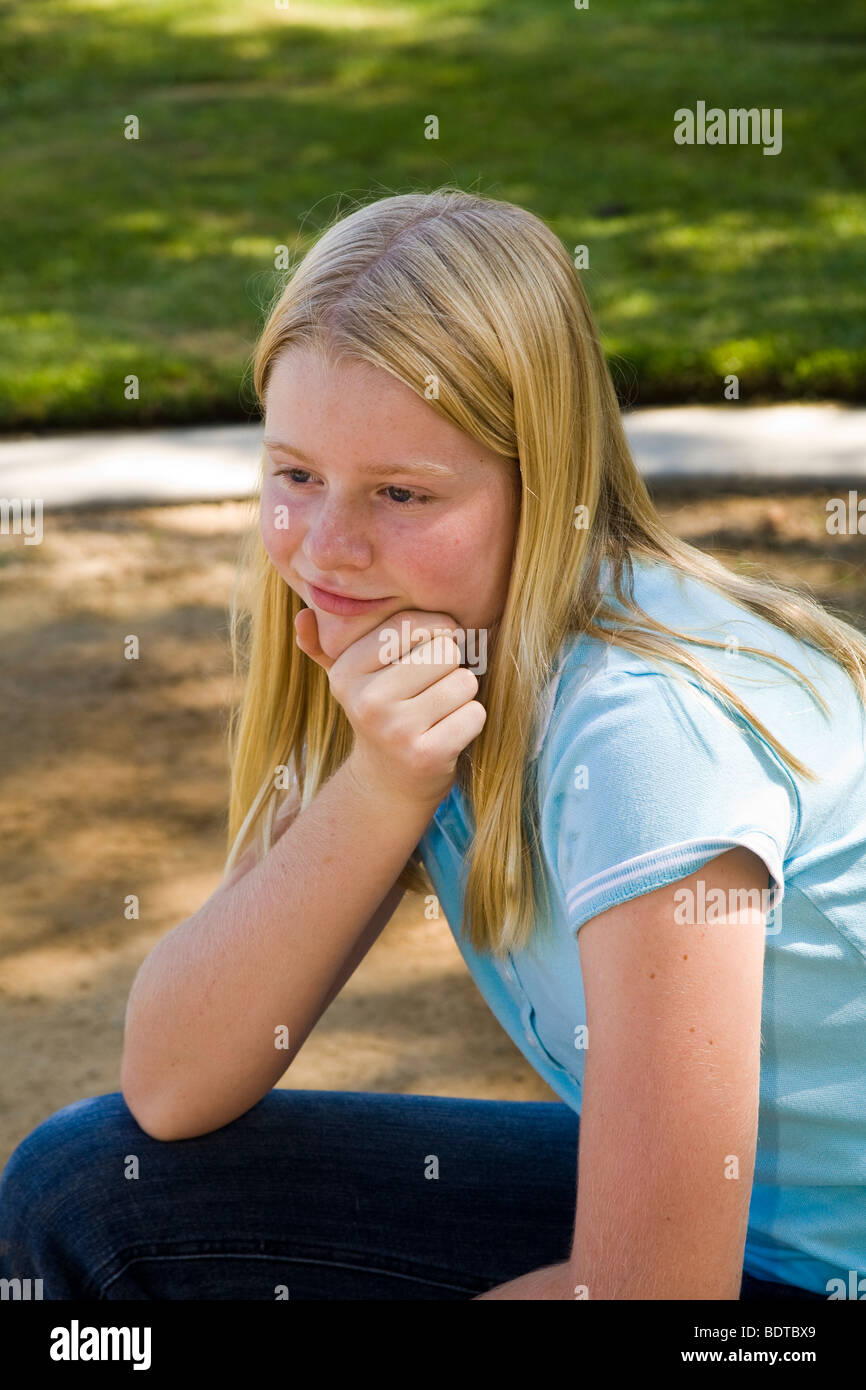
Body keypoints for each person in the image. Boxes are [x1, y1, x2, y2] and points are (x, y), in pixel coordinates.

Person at [0, 187, 862, 1300]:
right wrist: (383, 784)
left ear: (541, 484)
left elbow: (654, 1296)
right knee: (81, 1193)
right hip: (738, 1241)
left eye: (401, 491)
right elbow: (171, 1084)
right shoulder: (395, 643)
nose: (326, 545)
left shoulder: (649, 731)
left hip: (786, 1278)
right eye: (294, 474)